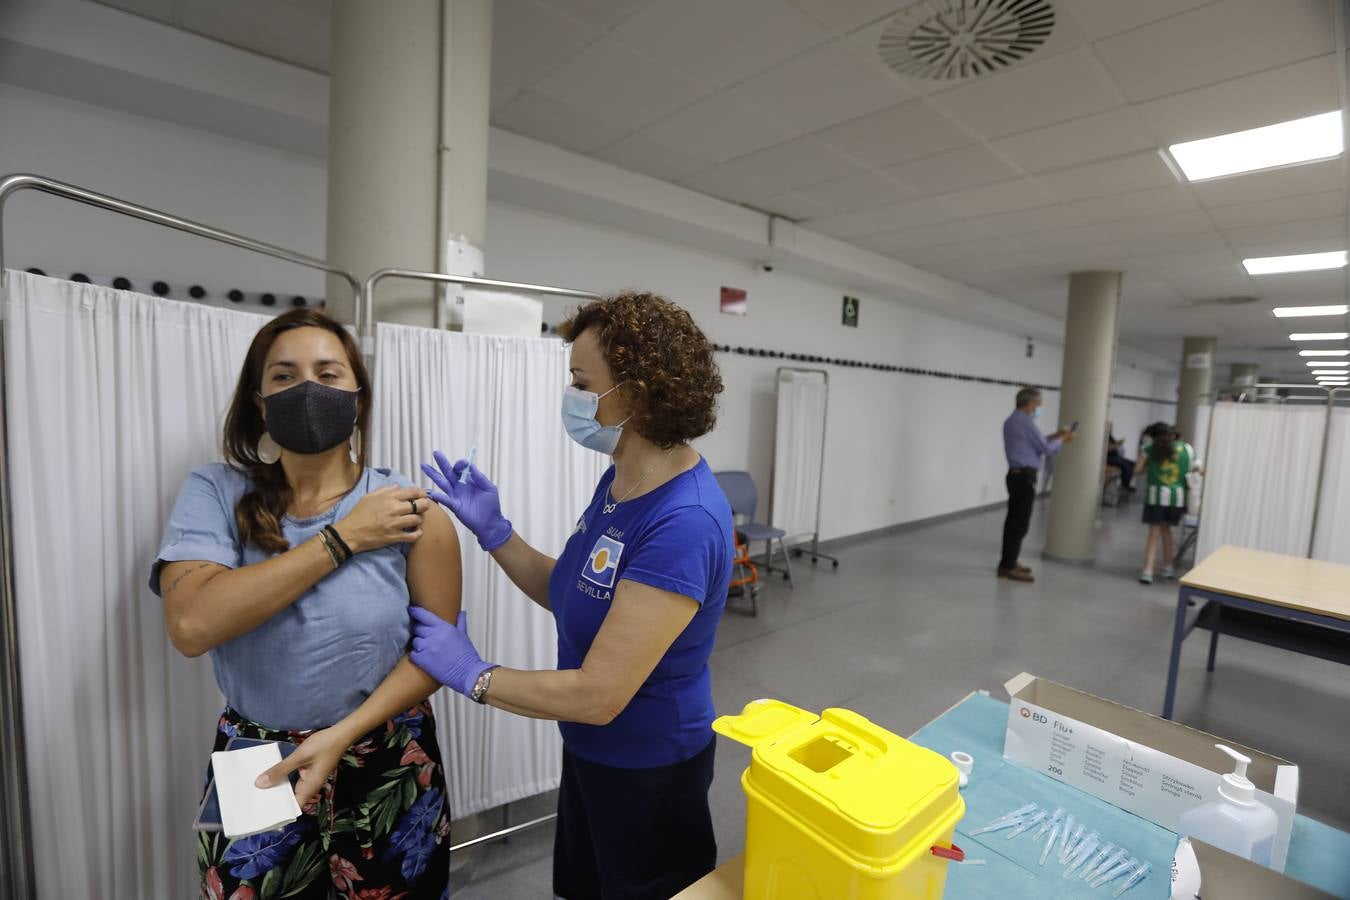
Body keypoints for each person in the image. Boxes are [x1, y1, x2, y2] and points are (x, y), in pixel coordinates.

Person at [410, 291, 734, 899]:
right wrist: (497, 534)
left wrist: (473, 673)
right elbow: (576, 593)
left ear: (634, 394)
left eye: (582, 382)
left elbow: (598, 694)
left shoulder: (684, 521)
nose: (573, 396)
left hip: (649, 770)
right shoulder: (624, 477)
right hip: (592, 753)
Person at [152, 309, 461, 898]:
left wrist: (342, 734)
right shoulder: (216, 492)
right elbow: (192, 625)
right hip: (257, 759)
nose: (309, 390)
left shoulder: (410, 512)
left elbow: (437, 653)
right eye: (285, 377)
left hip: (386, 755)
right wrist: (344, 538)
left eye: (328, 373)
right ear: (260, 402)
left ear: (358, 397)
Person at [998, 387, 1076, 582]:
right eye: (1037, 403)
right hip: (1024, 478)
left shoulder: (1014, 421)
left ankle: (1009, 562)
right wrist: (1063, 440)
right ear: (1028, 403)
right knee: (1019, 524)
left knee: (1014, 522)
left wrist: (1057, 435)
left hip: (1017, 477)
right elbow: (1046, 449)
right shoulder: (1025, 422)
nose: (1039, 407)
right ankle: (1007, 567)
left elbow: (1038, 442)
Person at [1135, 423, 1201, 584]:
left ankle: (1148, 570)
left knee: (1154, 532)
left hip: (1155, 497)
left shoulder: (1149, 449)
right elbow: (1199, 469)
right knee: (1167, 531)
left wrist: (1150, 468)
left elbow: (1137, 470)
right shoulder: (1187, 449)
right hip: (1176, 498)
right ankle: (1168, 567)